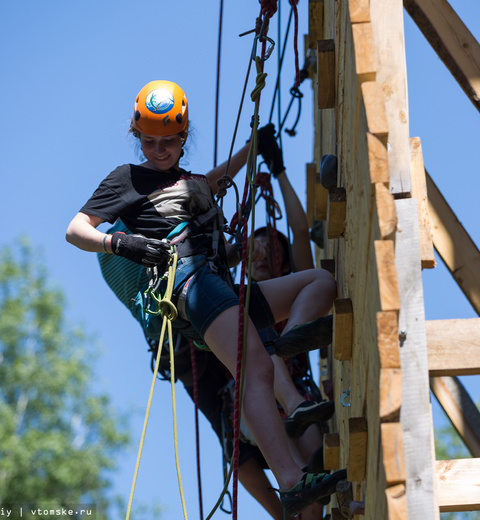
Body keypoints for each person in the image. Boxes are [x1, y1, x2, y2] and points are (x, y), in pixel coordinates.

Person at [65, 80, 346, 518]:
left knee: (318, 285)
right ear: (137, 137)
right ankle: (291, 480)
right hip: (189, 286)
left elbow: (213, 182)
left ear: (184, 136)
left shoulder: (187, 181)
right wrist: (120, 245)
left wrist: (255, 149)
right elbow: (76, 229)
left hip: (219, 285)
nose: (159, 150)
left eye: (170, 141)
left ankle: (283, 345)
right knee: (252, 368)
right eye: (150, 141)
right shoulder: (127, 179)